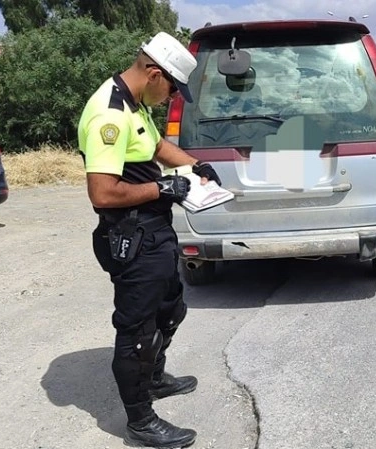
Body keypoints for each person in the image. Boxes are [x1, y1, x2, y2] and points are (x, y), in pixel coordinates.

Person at [77, 32, 222, 448]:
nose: (173, 96)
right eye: (173, 88)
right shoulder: (109, 113)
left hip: (153, 232)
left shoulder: (134, 103)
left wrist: (197, 165)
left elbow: (156, 146)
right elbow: (102, 193)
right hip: (130, 236)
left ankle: (154, 378)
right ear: (154, 73)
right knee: (137, 329)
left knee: (171, 308)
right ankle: (140, 420)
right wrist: (163, 190)